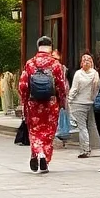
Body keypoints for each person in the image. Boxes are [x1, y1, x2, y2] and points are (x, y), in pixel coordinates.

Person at [19, 36, 68, 173]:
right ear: (50, 47)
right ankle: (44, 157)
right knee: (48, 132)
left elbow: (23, 85)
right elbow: (62, 86)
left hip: (33, 103)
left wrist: (24, 102)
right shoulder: (55, 64)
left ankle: (38, 152)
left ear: (38, 46)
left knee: (35, 131)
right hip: (51, 103)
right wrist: (62, 101)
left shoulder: (30, 64)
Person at [68, 54, 100, 159]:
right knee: (92, 126)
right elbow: (96, 89)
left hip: (79, 103)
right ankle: (94, 148)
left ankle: (85, 149)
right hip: (91, 103)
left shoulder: (78, 74)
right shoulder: (96, 74)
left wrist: (69, 100)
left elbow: (74, 89)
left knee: (82, 127)